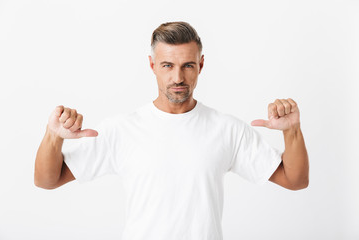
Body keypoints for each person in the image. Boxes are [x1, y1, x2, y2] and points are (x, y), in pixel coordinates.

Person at [34, 21, 309, 240]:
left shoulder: (227, 129)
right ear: (152, 65)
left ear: (200, 65)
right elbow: (47, 180)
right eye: (167, 65)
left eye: (188, 65)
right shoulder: (121, 129)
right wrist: (53, 135)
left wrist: (292, 130)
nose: (177, 77)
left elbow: (295, 180)